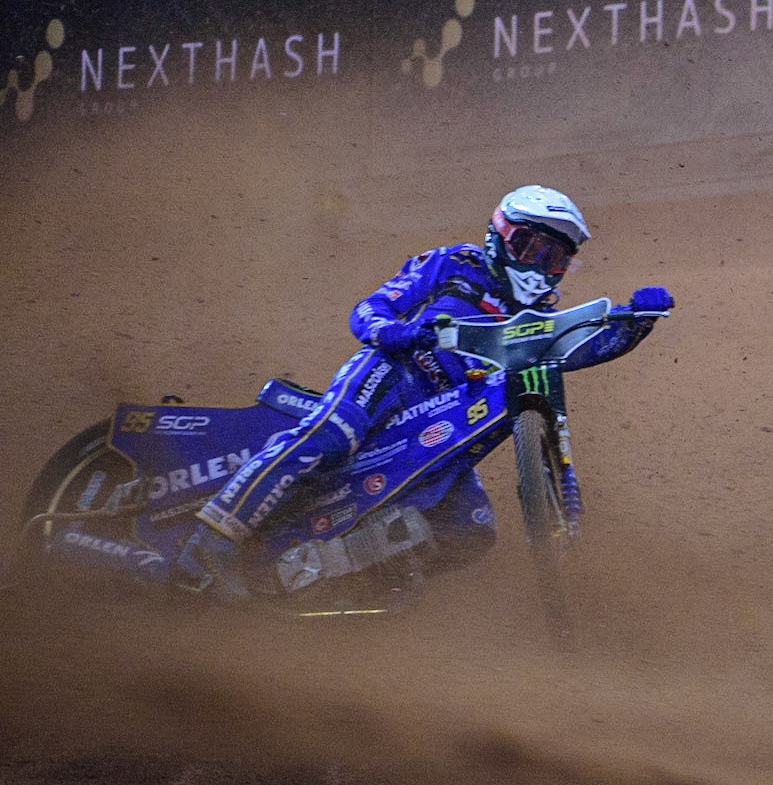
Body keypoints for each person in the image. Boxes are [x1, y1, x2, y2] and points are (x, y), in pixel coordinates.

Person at [176, 185, 672, 595]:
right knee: (333, 436)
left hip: (444, 415)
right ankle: (212, 536)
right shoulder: (453, 263)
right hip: (392, 374)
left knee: (470, 531)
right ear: (499, 238)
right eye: (530, 249)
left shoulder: (539, 317)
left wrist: (636, 324)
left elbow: (576, 351)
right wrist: (393, 332)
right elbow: (369, 309)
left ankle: (348, 578)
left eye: (555, 259)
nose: (541, 267)